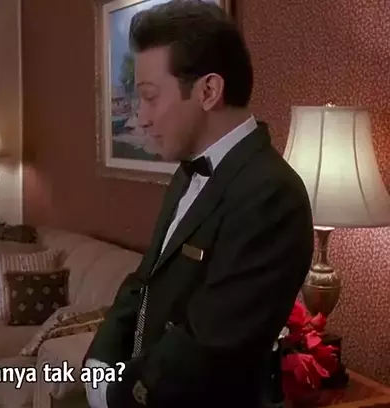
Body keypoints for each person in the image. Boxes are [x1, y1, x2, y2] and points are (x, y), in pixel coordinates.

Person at [83, 1, 314, 407]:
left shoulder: (272, 195)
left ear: (208, 91)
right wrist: (99, 362)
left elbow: (210, 347)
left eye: (150, 97)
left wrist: (116, 395)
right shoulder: (186, 173)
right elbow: (144, 281)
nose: (141, 118)